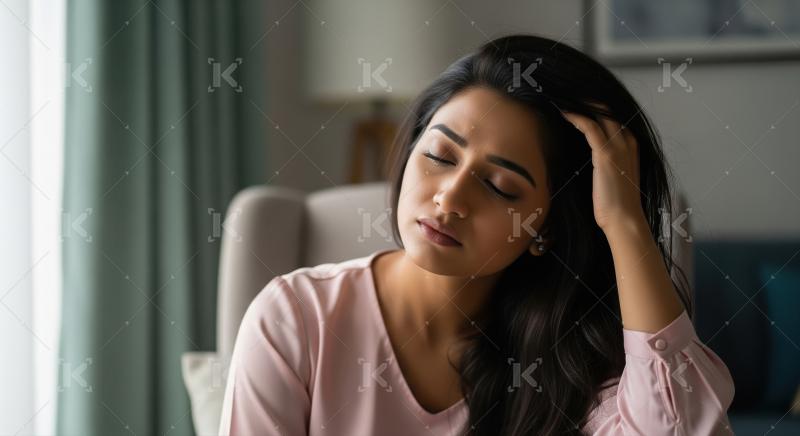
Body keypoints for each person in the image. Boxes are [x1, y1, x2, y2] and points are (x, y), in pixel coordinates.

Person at [218, 34, 735, 435]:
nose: (449, 199)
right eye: (439, 156)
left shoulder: (572, 362)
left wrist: (625, 223)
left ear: (547, 227)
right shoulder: (297, 319)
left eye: (499, 186)